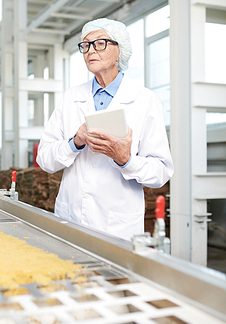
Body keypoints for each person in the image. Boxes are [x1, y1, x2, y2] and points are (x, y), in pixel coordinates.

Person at [36, 18, 174, 241]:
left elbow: (161, 172)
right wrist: (75, 142)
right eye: (85, 45)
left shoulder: (144, 101)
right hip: (71, 218)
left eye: (99, 43)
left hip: (118, 226)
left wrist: (126, 160)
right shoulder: (70, 99)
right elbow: (45, 159)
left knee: (114, 276)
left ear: (120, 50)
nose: (90, 51)